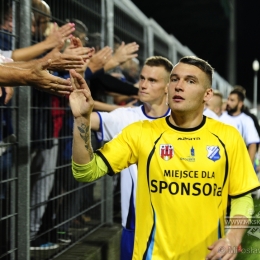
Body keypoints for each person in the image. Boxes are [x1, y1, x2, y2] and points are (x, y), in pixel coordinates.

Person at [69, 56, 260, 260]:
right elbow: (85, 171)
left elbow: (242, 196)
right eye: (175, 79)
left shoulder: (227, 137)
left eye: (190, 81)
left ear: (207, 95)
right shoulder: (140, 132)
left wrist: (233, 237)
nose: (179, 86)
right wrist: (81, 119)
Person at [89, 56, 173, 259]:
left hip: (173, 227)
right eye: (142, 78)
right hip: (135, 228)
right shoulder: (126, 118)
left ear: (168, 87)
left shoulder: (184, 123)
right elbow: (88, 119)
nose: (143, 85)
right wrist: (83, 88)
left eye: (152, 81)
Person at [220, 88, 260, 164]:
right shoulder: (220, 117)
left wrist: (248, 166)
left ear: (240, 104)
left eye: (232, 100)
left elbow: (252, 144)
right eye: (228, 99)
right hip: (221, 162)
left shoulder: (247, 120)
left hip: (238, 162)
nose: (228, 102)